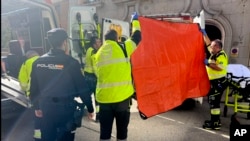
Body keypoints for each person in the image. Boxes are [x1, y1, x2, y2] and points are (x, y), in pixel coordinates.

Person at [29, 28, 94, 141]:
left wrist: (36, 107)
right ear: (64, 42)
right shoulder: (71, 62)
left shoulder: (38, 62)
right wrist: (90, 108)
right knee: (65, 137)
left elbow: (34, 88)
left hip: (46, 108)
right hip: (66, 110)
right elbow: (82, 88)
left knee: (48, 137)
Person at [94, 29, 135, 141]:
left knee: (105, 131)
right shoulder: (124, 47)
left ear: (105, 39)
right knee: (122, 131)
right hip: (122, 99)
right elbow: (137, 36)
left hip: (104, 99)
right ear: (117, 38)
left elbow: (97, 74)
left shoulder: (98, 54)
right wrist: (135, 21)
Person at [202, 30, 228, 130]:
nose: (210, 48)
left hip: (219, 83)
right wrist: (204, 34)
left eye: (212, 47)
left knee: (214, 103)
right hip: (215, 82)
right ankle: (215, 121)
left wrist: (207, 64)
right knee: (213, 102)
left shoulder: (221, 55)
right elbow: (208, 43)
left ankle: (215, 124)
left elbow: (220, 67)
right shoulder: (214, 53)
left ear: (217, 47)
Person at [18, 50, 41, 140]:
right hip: (47, 93)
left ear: (28, 56)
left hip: (34, 95)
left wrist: (25, 90)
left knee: (37, 115)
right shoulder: (45, 60)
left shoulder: (26, 63)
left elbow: (22, 81)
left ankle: (38, 135)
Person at [84, 36, 102, 122]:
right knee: (97, 97)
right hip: (92, 77)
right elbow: (95, 67)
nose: (100, 43)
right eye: (98, 42)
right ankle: (98, 116)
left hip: (86, 75)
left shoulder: (88, 49)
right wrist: (99, 76)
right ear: (94, 44)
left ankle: (88, 110)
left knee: (87, 95)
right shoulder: (93, 52)